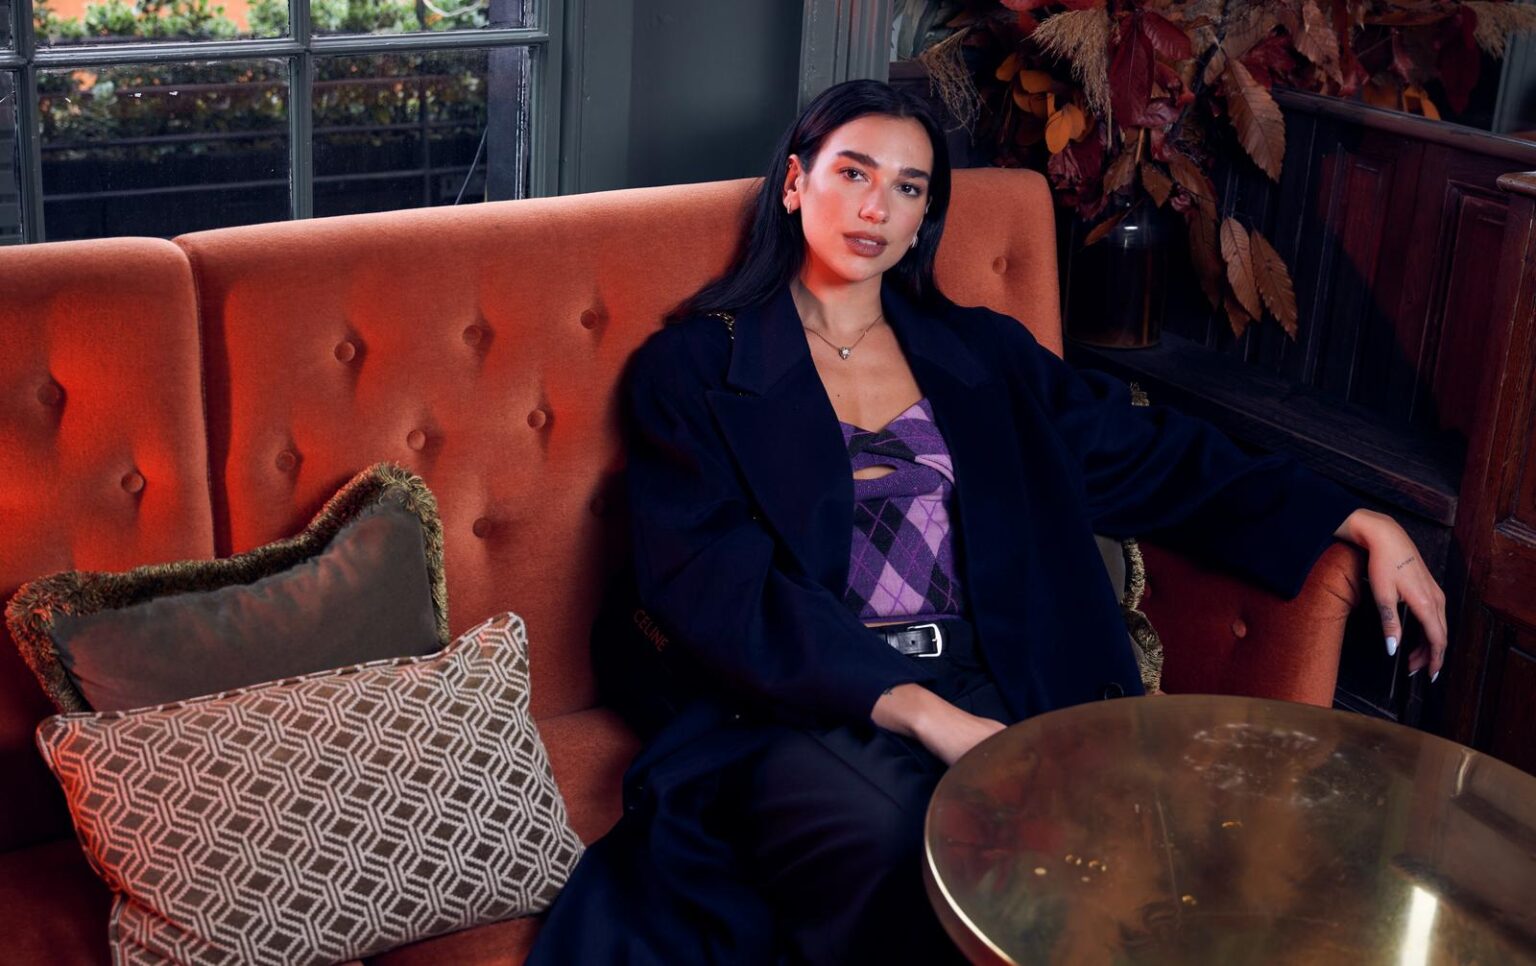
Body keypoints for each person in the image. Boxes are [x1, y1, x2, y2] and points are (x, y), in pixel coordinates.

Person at [527, 79, 1449, 965]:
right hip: (804, 693)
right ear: (796, 182)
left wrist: (1351, 514)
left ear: (924, 217)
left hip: (1000, 669)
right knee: (905, 838)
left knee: (1128, 849)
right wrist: (927, 715)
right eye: (853, 172)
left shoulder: (980, 352)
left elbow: (1144, 452)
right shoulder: (694, 369)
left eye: (909, 187)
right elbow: (720, 586)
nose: (877, 206)